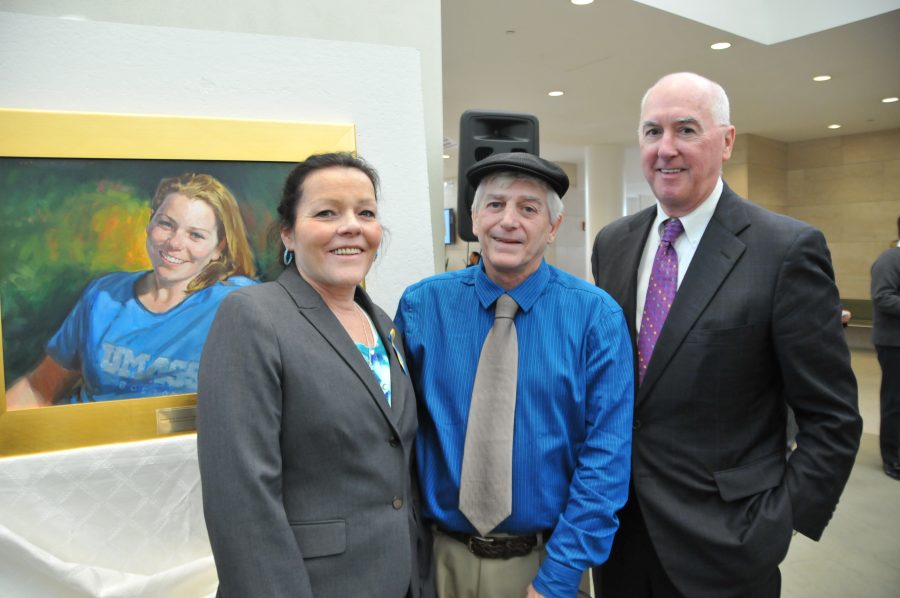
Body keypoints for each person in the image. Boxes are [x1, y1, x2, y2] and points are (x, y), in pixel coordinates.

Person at [590, 72, 862, 597]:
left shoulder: (785, 250)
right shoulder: (614, 243)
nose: (665, 149)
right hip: (618, 537)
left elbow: (833, 417)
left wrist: (775, 524)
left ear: (727, 141)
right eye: (652, 132)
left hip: (727, 548)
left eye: (686, 130)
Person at [396, 152, 633, 598]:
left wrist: (559, 577)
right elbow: (396, 436)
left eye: (528, 208)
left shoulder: (595, 318)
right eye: (495, 205)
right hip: (437, 562)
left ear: (553, 227)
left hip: (546, 566)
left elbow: (605, 459)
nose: (509, 221)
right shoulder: (421, 308)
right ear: (473, 218)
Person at [197, 153, 432, 598]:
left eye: (366, 212)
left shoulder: (383, 323)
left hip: (401, 579)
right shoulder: (253, 316)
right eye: (327, 212)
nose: (351, 226)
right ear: (288, 232)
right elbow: (241, 499)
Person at [6, 173, 256, 408]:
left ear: (219, 248)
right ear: (150, 223)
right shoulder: (103, 295)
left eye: (196, 235)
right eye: (166, 224)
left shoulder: (238, 303)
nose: (175, 243)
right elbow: (38, 388)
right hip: (89, 444)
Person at [871, 216, 900, 480]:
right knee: (895, 401)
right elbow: (883, 297)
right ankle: (893, 457)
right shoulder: (890, 259)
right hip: (894, 343)